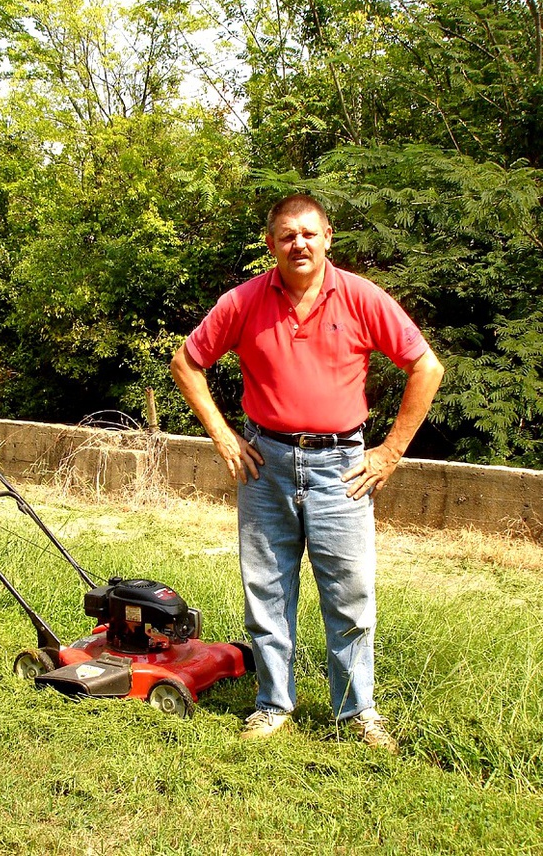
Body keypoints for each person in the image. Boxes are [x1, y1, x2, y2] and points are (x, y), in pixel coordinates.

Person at [170, 194, 444, 751]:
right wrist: (224, 436)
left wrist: (389, 452)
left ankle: (355, 713)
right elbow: (187, 362)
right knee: (266, 592)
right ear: (270, 244)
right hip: (265, 466)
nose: (299, 243)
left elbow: (425, 366)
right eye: (287, 235)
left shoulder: (363, 298)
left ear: (328, 238)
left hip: (342, 468)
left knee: (349, 596)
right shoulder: (244, 301)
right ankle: (273, 705)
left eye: (309, 233)